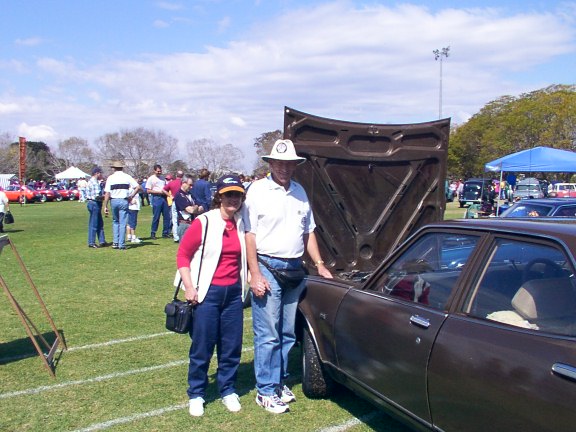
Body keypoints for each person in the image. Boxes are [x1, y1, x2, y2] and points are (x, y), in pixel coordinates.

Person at [243, 139, 333, 414]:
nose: (284, 168)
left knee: (285, 333)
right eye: (279, 163)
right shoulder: (256, 190)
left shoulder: (300, 191)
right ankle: (265, 391)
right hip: (268, 266)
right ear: (271, 164)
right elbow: (249, 234)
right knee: (267, 333)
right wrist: (254, 272)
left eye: (288, 164)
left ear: (294, 166)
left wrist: (319, 264)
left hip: (295, 269)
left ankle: (277, 382)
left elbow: (309, 232)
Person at [176, 174, 247, 417]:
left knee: (231, 346)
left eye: (237, 195)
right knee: (202, 346)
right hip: (207, 293)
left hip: (234, 294)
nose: (233, 199)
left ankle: (227, 389)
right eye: (228, 195)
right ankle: (196, 393)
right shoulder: (204, 221)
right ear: (219, 196)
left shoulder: (241, 222)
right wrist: (189, 286)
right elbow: (182, 255)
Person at [102, 160, 141, 250]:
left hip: (114, 200)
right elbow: (138, 187)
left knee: (116, 221)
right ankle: (121, 244)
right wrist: (131, 196)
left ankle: (115, 242)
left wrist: (105, 205)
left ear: (114, 168)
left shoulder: (110, 178)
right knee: (123, 222)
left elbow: (107, 193)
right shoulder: (127, 176)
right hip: (124, 200)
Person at [174, 174, 203, 240]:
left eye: (192, 185)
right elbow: (191, 210)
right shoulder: (179, 196)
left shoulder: (190, 195)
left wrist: (195, 208)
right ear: (184, 183)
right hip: (185, 225)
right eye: (190, 185)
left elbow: (202, 207)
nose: (191, 187)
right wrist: (196, 207)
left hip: (193, 223)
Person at [85, 166, 108, 248]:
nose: (101, 175)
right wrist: (106, 196)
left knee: (99, 223)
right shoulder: (94, 182)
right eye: (100, 173)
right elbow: (97, 196)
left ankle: (102, 240)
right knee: (94, 223)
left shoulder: (92, 182)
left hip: (93, 203)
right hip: (94, 203)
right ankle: (91, 242)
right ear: (96, 173)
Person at [146, 164, 171, 239]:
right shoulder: (151, 179)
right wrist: (159, 192)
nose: (159, 172)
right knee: (156, 217)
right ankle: (153, 233)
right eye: (158, 171)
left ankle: (165, 233)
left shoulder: (163, 178)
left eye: (160, 171)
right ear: (154, 171)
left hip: (164, 198)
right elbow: (148, 190)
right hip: (157, 198)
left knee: (167, 216)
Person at [164, 170, 184, 242]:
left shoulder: (171, 183)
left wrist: (170, 195)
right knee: (183, 219)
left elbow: (164, 190)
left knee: (174, 220)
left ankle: (176, 237)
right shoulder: (183, 183)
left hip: (174, 201)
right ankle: (182, 235)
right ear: (182, 176)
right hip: (182, 202)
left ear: (176, 175)